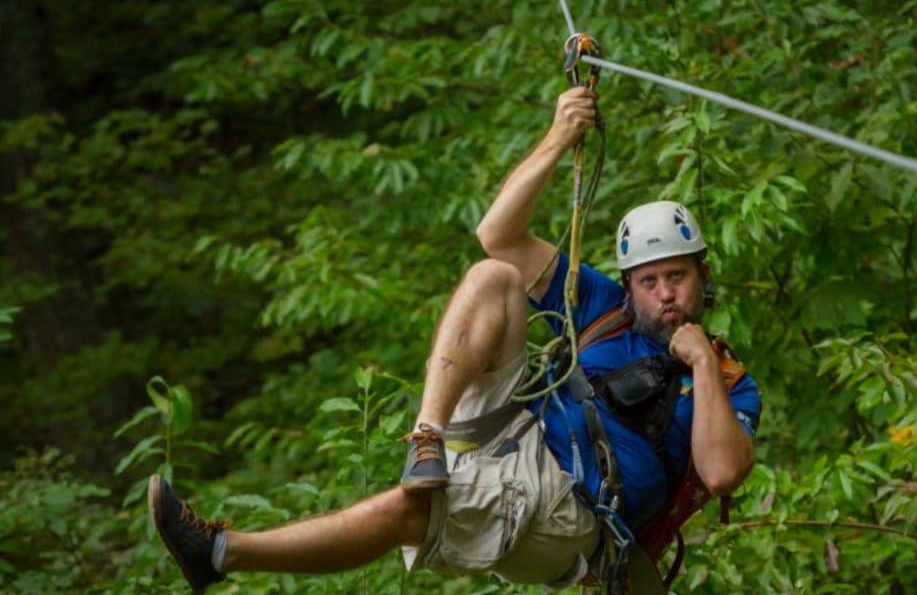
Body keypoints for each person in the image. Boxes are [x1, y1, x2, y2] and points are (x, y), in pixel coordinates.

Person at [148, 86, 761, 593]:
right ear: (630, 285)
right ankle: (427, 436)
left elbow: (723, 472)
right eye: (648, 281)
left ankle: (222, 552)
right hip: (514, 432)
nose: (664, 295)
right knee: (494, 277)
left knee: (408, 513)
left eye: (676, 277)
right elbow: (498, 234)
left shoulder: (731, 385)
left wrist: (701, 362)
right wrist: (558, 137)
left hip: (570, 507)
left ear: (701, 277)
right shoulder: (605, 303)